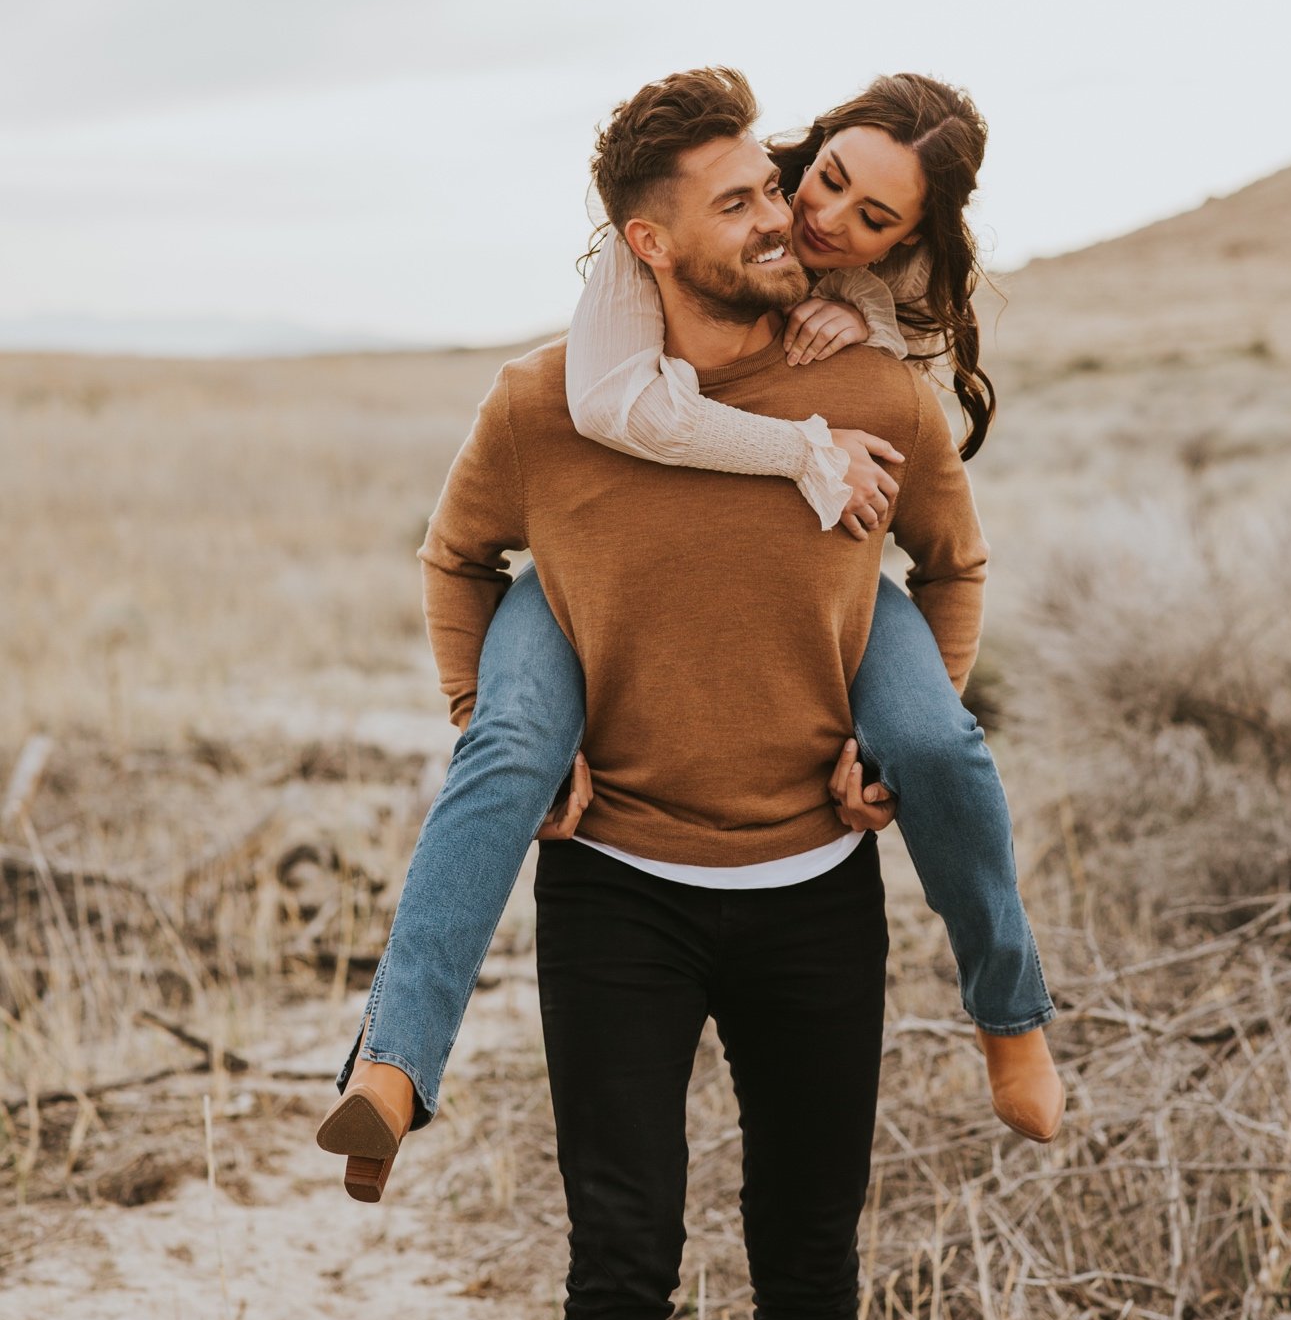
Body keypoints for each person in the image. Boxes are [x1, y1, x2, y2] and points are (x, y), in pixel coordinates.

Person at [395, 66, 1015, 1320]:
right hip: (620, 894)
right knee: (623, 1257)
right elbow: (457, 560)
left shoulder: (872, 383)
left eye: (788, 195)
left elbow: (952, 561)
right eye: (744, 201)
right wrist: (500, 734)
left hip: (818, 890)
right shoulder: (548, 398)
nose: (784, 222)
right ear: (651, 244)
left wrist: (910, 729)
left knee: (809, 1255)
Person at [317, 70, 1061, 1205]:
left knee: (944, 744)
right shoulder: (613, 314)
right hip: (584, 594)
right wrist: (807, 448)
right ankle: (393, 1064)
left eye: (875, 224)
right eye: (822, 184)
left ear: (908, 238)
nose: (820, 222)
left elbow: (951, 553)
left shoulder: (859, 296)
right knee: (504, 752)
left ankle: (1011, 1014)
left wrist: (888, 751)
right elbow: (622, 414)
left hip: (838, 649)